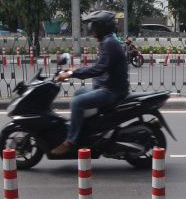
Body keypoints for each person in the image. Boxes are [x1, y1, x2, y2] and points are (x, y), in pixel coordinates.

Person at [52, 11, 129, 155]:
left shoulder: (109, 43)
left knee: (77, 102)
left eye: (94, 25)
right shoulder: (107, 42)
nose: (91, 29)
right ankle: (85, 130)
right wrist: (74, 70)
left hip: (111, 91)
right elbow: (100, 67)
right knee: (78, 93)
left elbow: (98, 70)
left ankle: (71, 140)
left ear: (102, 28)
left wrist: (72, 73)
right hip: (104, 86)